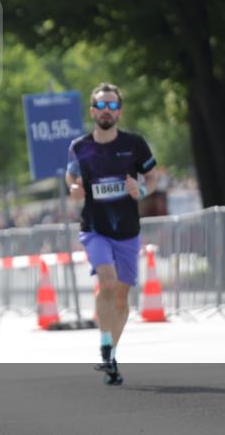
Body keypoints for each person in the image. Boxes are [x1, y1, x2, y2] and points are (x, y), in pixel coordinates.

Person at [66, 83, 159, 386]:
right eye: (101, 105)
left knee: (120, 296)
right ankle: (105, 347)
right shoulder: (80, 146)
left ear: (119, 111)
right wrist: (74, 188)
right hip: (94, 228)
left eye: (113, 106)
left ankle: (112, 355)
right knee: (106, 281)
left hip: (128, 231)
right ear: (92, 110)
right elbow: (71, 174)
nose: (107, 111)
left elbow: (152, 177)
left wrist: (141, 189)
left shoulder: (135, 143)